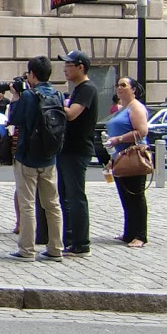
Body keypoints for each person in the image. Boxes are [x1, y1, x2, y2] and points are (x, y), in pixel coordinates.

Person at [7, 55, 64, 261]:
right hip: (49, 156)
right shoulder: (58, 95)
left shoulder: (30, 96)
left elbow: (14, 119)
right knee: (52, 204)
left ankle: (27, 249)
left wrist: (15, 96)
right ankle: (56, 247)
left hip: (28, 155)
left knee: (28, 203)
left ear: (31, 74)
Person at [55, 51, 97, 254]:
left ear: (81, 67)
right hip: (66, 149)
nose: (65, 68)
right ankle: (70, 239)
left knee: (76, 196)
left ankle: (81, 242)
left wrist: (56, 103)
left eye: (68, 65)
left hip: (77, 149)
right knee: (65, 196)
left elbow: (71, 114)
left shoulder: (86, 89)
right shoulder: (77, 89)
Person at [107, 77, 151, 247]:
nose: (119, 88)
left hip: (133, 156)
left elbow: (142, 131)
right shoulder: (122, 108)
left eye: (124, 85)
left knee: (136, 196)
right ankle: (129, 232)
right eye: (118, 85)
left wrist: (118, 139)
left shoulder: (136, 107)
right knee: (126, 196)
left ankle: (140, 235)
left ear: (133, 89)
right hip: (119, 157)